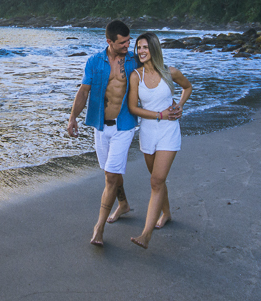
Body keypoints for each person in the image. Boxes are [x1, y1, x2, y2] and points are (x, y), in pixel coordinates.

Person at [66, 19, 140, 246]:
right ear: (109, 41)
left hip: (124, 125)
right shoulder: (94, 62)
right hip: (100, 126)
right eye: (123, 42)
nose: (128, 45)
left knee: (110, 176)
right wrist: (72, 117)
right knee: (110, 173)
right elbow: (84, 91)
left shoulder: (134, 61)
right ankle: (123, 204)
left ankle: (99, 228)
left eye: (129, 41)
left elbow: (154, 79)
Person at [126, 31, 193, 249]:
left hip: (168, 131)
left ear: (154, 48)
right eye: (138, 47)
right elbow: (133, 107)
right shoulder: (136, 76)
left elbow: (188, 87)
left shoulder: (170, 72)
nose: (141, 51)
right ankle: (167, 213)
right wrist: (158, 114)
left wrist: (179, 105)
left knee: (156, 181)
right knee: (157, 179)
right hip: (148, 133)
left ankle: (146, 234)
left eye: (145, 47)